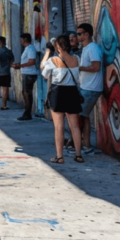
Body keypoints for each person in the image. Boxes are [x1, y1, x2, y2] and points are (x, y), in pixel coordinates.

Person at [41, 35, 85, 164]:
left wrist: (47, 53)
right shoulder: (76, 59)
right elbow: (78, 78)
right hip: (72, 92)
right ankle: (78, 155)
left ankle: (59, 157)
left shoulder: (53, 60)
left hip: (58, 92)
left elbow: (44, 74)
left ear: (58, 46)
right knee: (75, 126)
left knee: (59, 126)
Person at [75, 23, 102, 155]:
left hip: (91, 89)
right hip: (85, 87)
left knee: (80, 117)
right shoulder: (85, 48)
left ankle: (83, 146)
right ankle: (85, 145)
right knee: (83, 117)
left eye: (80, 33)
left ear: (87, 34)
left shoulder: (92, 48)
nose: (77, 36)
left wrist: (80, 68)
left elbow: (96, 67)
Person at [11, 34, 39, 120]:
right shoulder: (28, 49)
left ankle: (27, 113)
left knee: (27, 93)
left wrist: (20, 66)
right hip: (27, 74)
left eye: (21, 39)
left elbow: (32, 61)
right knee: (25, 93)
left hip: (29, 74)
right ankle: (27, 113)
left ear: (24, 40)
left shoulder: (30, 48)